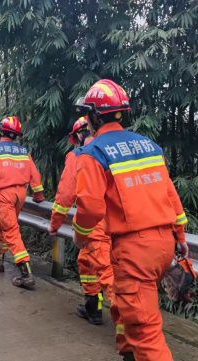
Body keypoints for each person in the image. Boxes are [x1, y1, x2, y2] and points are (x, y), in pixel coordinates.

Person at [73, 79, 188, 361]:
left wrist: (80, 236)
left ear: (94, 116)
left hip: (134, 251)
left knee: (146, 332)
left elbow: (89, 207)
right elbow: (171, 196)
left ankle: (136, 352)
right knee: (131, 309)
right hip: (164, 245)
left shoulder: (94, 153)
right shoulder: (149, 145)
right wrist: (181, 238)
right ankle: (127, 354)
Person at [48, 115, 113, 326]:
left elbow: (65, 195)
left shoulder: (79, 155)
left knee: (108, 275)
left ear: (78, 134)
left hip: (95, 224)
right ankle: (93, 307)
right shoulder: (113, 149)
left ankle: (133, 334)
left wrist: (55, 224)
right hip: (121, 224)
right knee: (86, 263)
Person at [0, 115, 45, 289]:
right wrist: (38, 195)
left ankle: (26, 272)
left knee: (10, 231)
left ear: (1, 131)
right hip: (21, 194)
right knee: (2, 226)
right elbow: (35, 175)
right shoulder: (23, 151)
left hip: (5, 194)